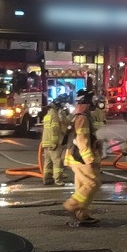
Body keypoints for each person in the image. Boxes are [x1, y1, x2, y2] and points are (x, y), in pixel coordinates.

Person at [62, 90, 101, 223]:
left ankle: (81, 213)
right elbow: (81, 138)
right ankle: (72, 205)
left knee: (81, 186)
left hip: (75, 157)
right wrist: (89, 158)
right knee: (93, 183)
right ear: (86, 103)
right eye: (91, 101)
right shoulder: (82, 118)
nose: (93, 104)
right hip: (81, 157)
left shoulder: (78, 116)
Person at [41, 99, 65, 186]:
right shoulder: (55, 116)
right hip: (53, 143)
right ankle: (58, 180)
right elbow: (54, 130)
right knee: (57, 161)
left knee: (48, 161)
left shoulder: (47, 115)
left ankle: (47, 178)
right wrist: (55, 142)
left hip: (46, 142)